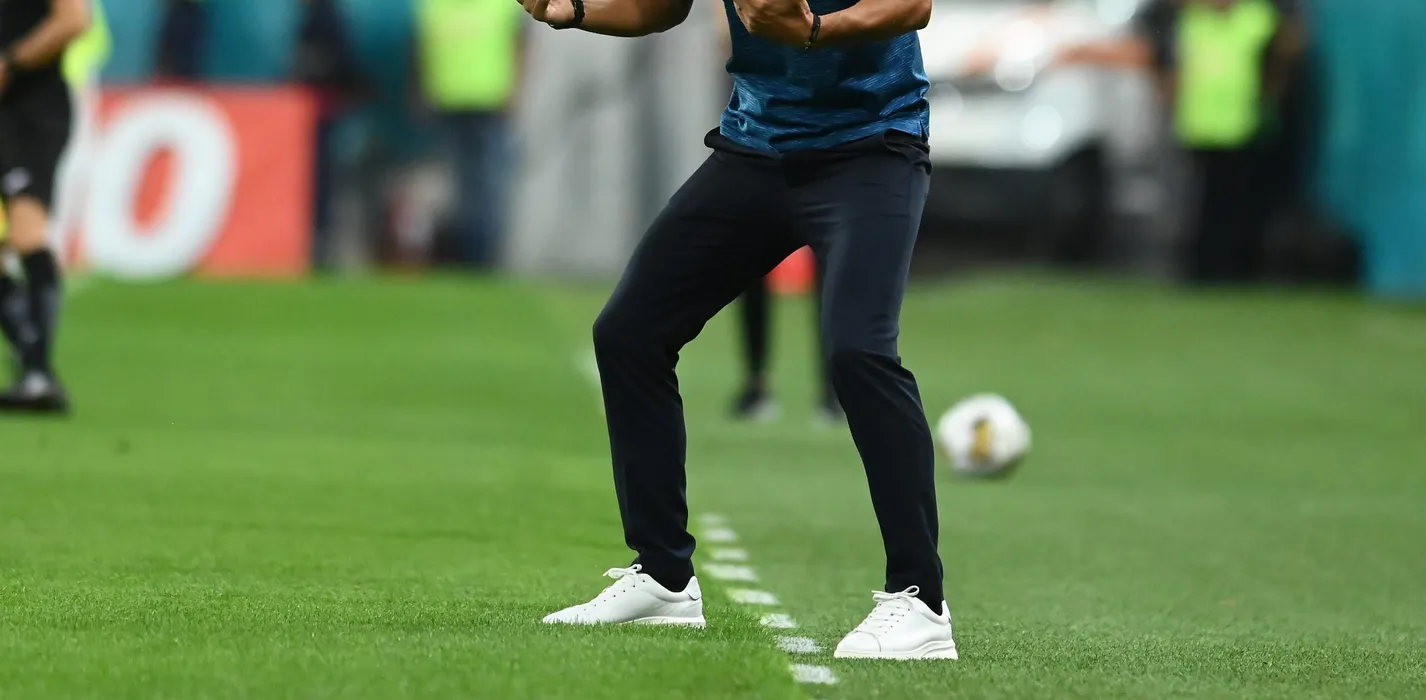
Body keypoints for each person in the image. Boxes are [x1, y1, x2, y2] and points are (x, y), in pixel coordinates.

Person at [528, 0, 957, 660]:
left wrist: (814, 30)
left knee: (858, 350)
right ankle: (664, 579)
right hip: (756, 150)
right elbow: (658, 9)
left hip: (871, 148)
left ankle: (921, 601)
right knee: (630, 333)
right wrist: (574, 9)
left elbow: (912, 6)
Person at [1057, 0, 1306, 284]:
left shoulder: (1258, 18)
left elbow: (1282, 61)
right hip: (1198, 125)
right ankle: (1201, 267)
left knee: (1236, 204)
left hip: (1243, 126)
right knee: (1198, 205)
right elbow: (1166, 63)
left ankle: (1236, 267)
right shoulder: (1192, 21)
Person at [709, 8, 840, 424]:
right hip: (759, 121)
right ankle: (756, 382)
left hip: (827, 120)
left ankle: (833, 388)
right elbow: (727, 31)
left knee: (834, 259)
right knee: (749, 256)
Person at [0, 0, 93, 413]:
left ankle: (37, 373)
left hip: (32, 108)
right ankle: (36, 372)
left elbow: (74, 19)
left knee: (26, 233)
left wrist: (11, 62)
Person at [415, 0, 526, 270]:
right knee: (460, 188)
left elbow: (521, 45)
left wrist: (516, 91)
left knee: (487, 187)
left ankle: (483, 257)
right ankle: (465, 256)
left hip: (489, 104)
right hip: (449, 102)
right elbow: (421, 48)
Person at [294, 0, 371, 270]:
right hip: (323, 113)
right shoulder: (325, 16)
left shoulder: (320, 17)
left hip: (324, 114)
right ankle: (322, 245)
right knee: (325, 183)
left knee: (324, 182)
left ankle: (322, 246)